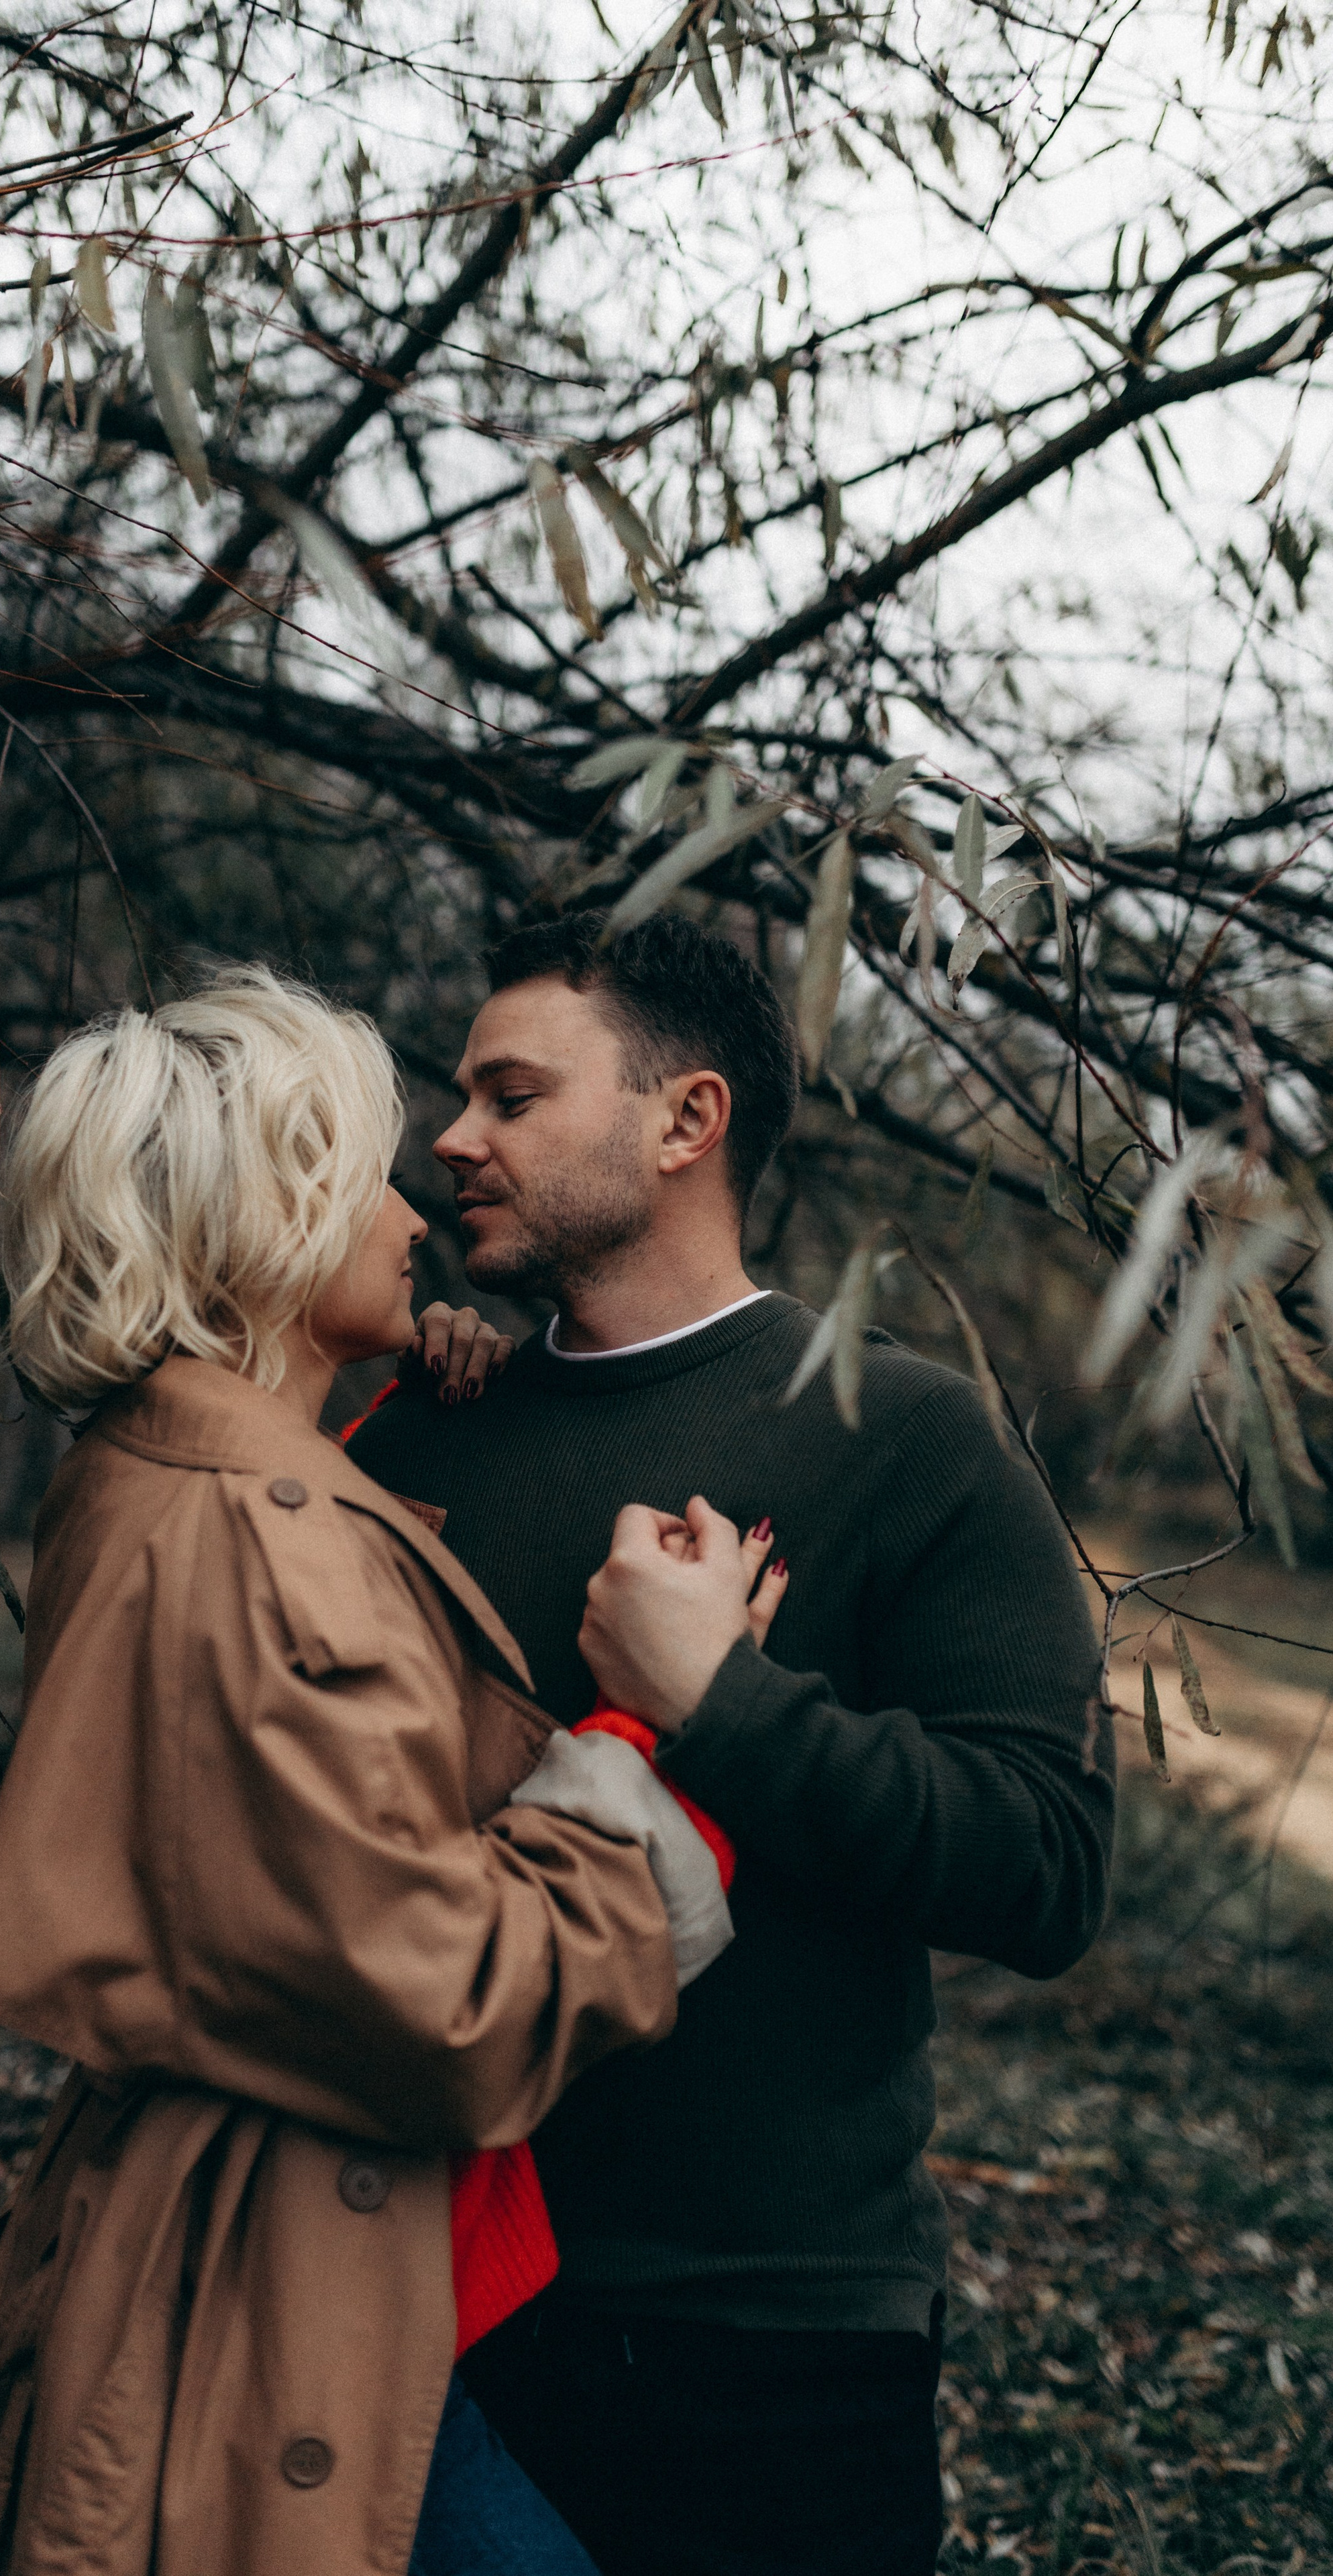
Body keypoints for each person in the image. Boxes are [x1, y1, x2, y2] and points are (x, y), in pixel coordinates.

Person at [0, 965, 773, 2576]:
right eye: (361, 1169)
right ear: (270, 1219)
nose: (412, 1200)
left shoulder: (169, 1470)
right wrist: (647, 1728)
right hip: (277, 2262)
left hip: (252, 2241)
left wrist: (370, 1420)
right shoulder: (253, 1533)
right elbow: (442, 2001)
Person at [347, 910, 1118, 2576]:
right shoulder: (408, 1419)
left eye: (508, 1096)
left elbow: (1047, 1870)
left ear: (685, 1122)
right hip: (420, 2301)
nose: (451, 1139)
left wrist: (723, 1706)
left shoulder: (904, 1436)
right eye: (457, 1098)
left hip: (772, 2342)